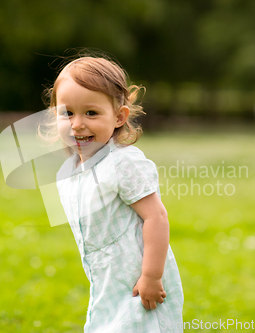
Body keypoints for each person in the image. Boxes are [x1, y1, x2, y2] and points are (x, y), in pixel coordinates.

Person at [45, 55, 184, 332]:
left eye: (91, 113)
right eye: (67, 113)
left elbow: (156, 217)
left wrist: (151, 276)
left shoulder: (122, 163)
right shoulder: (72, 170)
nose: (77, 124)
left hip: (139, 282)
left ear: (119, 117)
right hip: (108, 280)